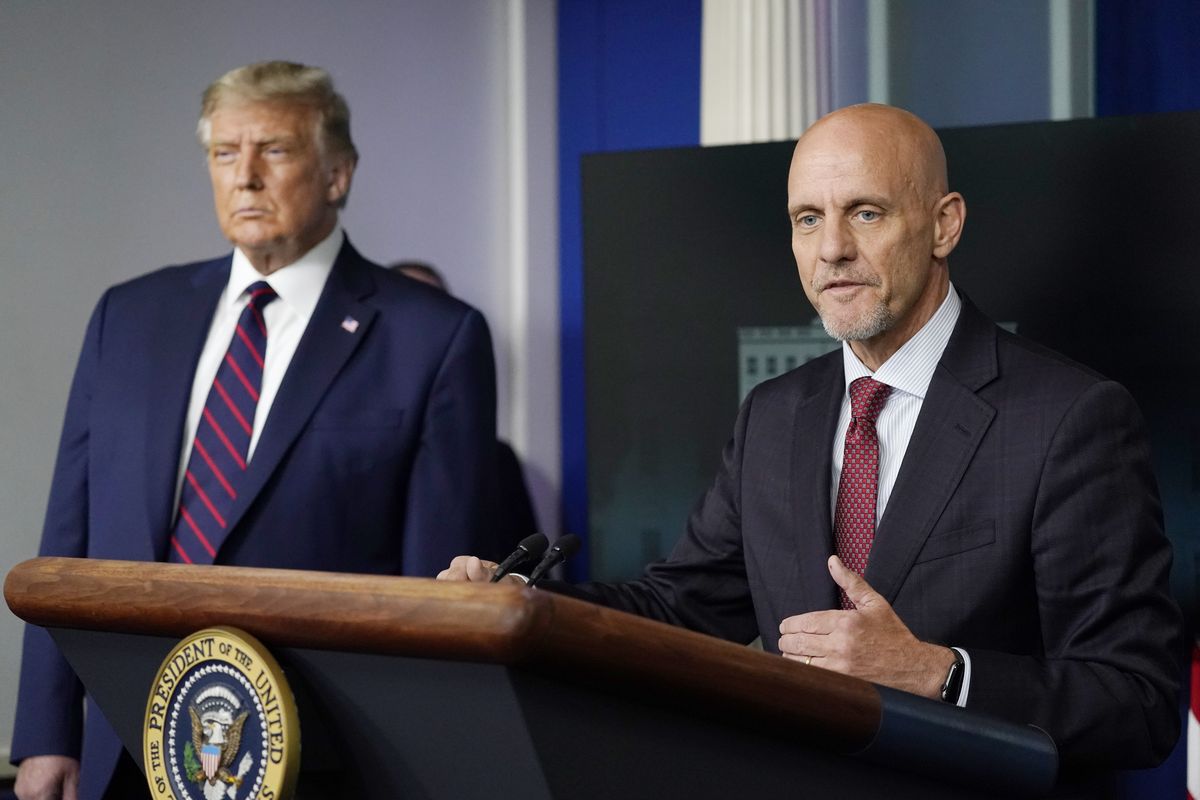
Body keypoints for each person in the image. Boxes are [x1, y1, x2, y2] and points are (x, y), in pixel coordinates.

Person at [439, 104, 1183, 785]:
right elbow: (679, 607)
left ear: (944, 224)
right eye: (807, 219)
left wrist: (937, 674)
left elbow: (1137, 699)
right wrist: (524, 606)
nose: (832, 250)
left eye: (866, 212)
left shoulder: (1067, 418)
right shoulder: (775, 414)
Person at [12, 61, 499, 800]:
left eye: (273, 149)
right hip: (123, 746)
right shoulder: (129, 317)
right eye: (224, 153)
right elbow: (66, 538)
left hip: (321, 756)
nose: (245, 177)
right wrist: (48, 733)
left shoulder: (432, 337)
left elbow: (437, 590)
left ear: (337, 174)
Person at [388, 259, 540, 544]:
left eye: (433, 309)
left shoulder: (498, 461)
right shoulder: (342, 451)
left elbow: (528, 563)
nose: (421, 330)